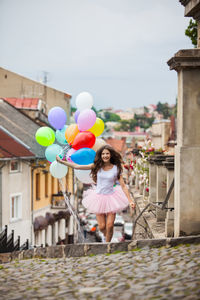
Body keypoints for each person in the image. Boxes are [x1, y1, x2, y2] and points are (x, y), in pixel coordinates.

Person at [56, 145, 135, 243]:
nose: (105, 156)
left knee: (110, 225)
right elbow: (77, 166)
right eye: (103, 154)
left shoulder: (116, 168)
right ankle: (106, 237)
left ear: (110, 155)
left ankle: (107, 245)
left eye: (107, 154)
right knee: (102, 227)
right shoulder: (97, 166)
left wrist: (130, 200)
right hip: (98, 198)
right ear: (100, 155)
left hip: (112, 197)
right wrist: (62, 162)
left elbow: (123, 186)